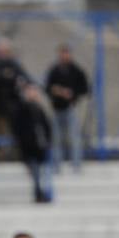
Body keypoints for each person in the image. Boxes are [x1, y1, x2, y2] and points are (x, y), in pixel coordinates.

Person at [44, 44, 89, 172]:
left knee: (75, 138)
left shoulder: (77, 71)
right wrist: (57, 91)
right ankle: (56, 166)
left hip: (71, 108)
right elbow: (47, 87)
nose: (64, 56)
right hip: (56, 108)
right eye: (62, 54)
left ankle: (76, 165)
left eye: (66, 53)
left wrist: (72, 94)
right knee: (56, 139)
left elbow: (85, 88)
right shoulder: (54, 70)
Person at [13, 84, 54, 204]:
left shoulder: (39, 109)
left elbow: (46, 126)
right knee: (35, 169)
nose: (33, 93)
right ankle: (38, 192)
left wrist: (47, 141)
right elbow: (18, 128)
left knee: (39, 170)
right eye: (30, 91)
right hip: (29, 147)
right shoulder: (21, 108)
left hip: (39, 146)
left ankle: (40, 192)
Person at [0, 38, 26, 144]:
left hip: (15, 107)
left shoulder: (14, 65)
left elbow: (22, 78)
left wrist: (7, 77)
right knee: (0, 134)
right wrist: (5, 75)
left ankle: (15, 155)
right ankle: (0, 156)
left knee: (16, 133)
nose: (3, 54)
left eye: (6, 51)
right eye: (1, 51)